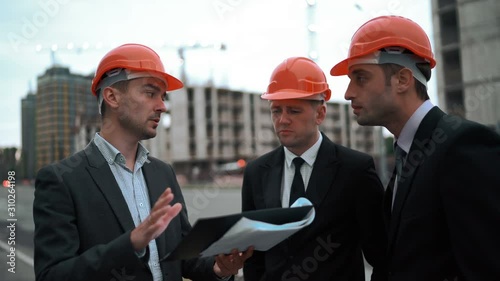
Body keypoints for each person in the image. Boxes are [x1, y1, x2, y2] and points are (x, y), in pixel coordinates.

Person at [33, 43, 252, 281]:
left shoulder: (163, 172)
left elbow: (181, 256)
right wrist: (129, 245)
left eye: (162, 96)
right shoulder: (62, 179)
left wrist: (218, 268)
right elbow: (52, 275)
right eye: (150, 93)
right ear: (112, 97)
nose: (162, 106)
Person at [330, 15, 500, 281]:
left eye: (360, 78)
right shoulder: (407, 153)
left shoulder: (462, 146)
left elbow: (486, 267)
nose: (349, 92)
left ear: (403, 79)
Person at [241, 56, 388, 281]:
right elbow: (254, 257)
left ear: (320, 114)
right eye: (276, 110)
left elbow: (381, 255)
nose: (282, 120)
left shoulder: (355, 170)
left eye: (294, 111)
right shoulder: (255, 173)